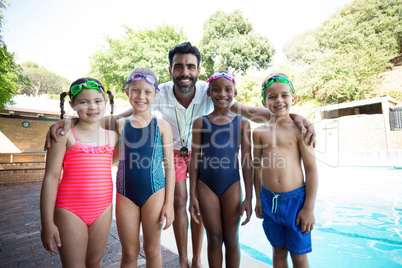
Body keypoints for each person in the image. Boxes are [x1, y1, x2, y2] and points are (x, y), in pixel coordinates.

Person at [45, 42, 316, 268]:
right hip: (173, 150)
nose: (184, 71)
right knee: (180, 199)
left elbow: (257, 111)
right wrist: (69, 122)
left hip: (202, 154)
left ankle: (197, 259)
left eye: (190, 66)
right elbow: (119, 116)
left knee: (196, 207)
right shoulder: (157, 91)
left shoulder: (211, 90)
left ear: (197, 70)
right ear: (170, 69)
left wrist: (295, 117)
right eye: (178, 66)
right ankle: (184, 259)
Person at [40, 78, 119, 267]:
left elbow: (136, 113)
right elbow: (51, 178)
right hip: (69, 210)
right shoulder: (64, 135)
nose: (92, 106)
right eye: (84, 102)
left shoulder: (114, 136)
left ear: (105, 103)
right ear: (72, 105)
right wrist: (47, 223)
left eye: (97, 101)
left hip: (103, 208)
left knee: (95, 262)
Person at [253, 73, 318, 268]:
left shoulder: (300, 130)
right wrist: (258, 198)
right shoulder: (259, 133)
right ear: (264, 102)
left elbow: (311, 170)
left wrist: (308, 208)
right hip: (269, 200)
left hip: (296, 201)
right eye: (272, 96)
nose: (278, 100)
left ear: (293, 98)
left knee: (298, 256)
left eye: (284, 95)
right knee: (278, 251)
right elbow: (256, 167)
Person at [189, 71, 252, 268]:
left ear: (235, 92)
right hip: (206, 185)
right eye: (216, 90)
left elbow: (247, 162)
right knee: (214, 238)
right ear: (209, 92)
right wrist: (192, 195)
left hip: (231, 185)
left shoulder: (242, 123)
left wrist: (249, 197)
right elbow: (194, 161)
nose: (222, 94)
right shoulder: (201, 123)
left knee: (232, 239)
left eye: (227, 90)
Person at [115, 68, 175, 267]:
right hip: (125, 195)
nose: (141, 96)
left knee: (152, 251)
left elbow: (170, 167)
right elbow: (88, 122)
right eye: (135, 90)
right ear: (127, 92)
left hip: (155, 194)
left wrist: (169, 203)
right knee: (129, 253)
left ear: (155, 95)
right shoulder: (120, 125)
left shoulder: (162, 125)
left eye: (147, 92)